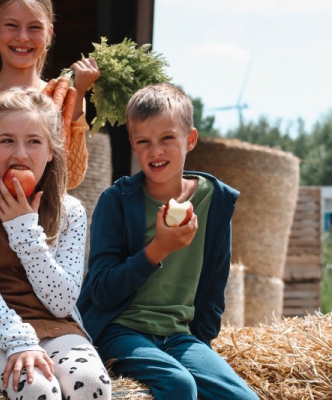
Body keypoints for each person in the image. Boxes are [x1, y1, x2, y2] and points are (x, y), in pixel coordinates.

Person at [77, 83, 258, 400]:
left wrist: (201, 346)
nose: (155, 151)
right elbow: (101, 291)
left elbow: (215, 287)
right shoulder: (116, 201)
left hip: (179, 336)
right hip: (120, 331)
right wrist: (157, 250)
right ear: (133, 145)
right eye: (143, 141)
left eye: (167, 139)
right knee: (179, 385)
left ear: (190, 139)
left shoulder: (215, 201)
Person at [0, 88, 111, 400]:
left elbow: (61, 302)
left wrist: (25, 231)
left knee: (91, 383)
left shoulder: (70, 212)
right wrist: (19, 342)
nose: (19, 153)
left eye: (33, 141)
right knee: (37, 388)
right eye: (6, 141)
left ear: (51, 151)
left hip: (53, 324)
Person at [0, 0, 100, 191]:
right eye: (12, 25)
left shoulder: (66, 99)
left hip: (42, 221)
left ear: (49, 34)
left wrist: (79, 94)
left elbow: (71, 177)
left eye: (34, 27)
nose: (23, 37)